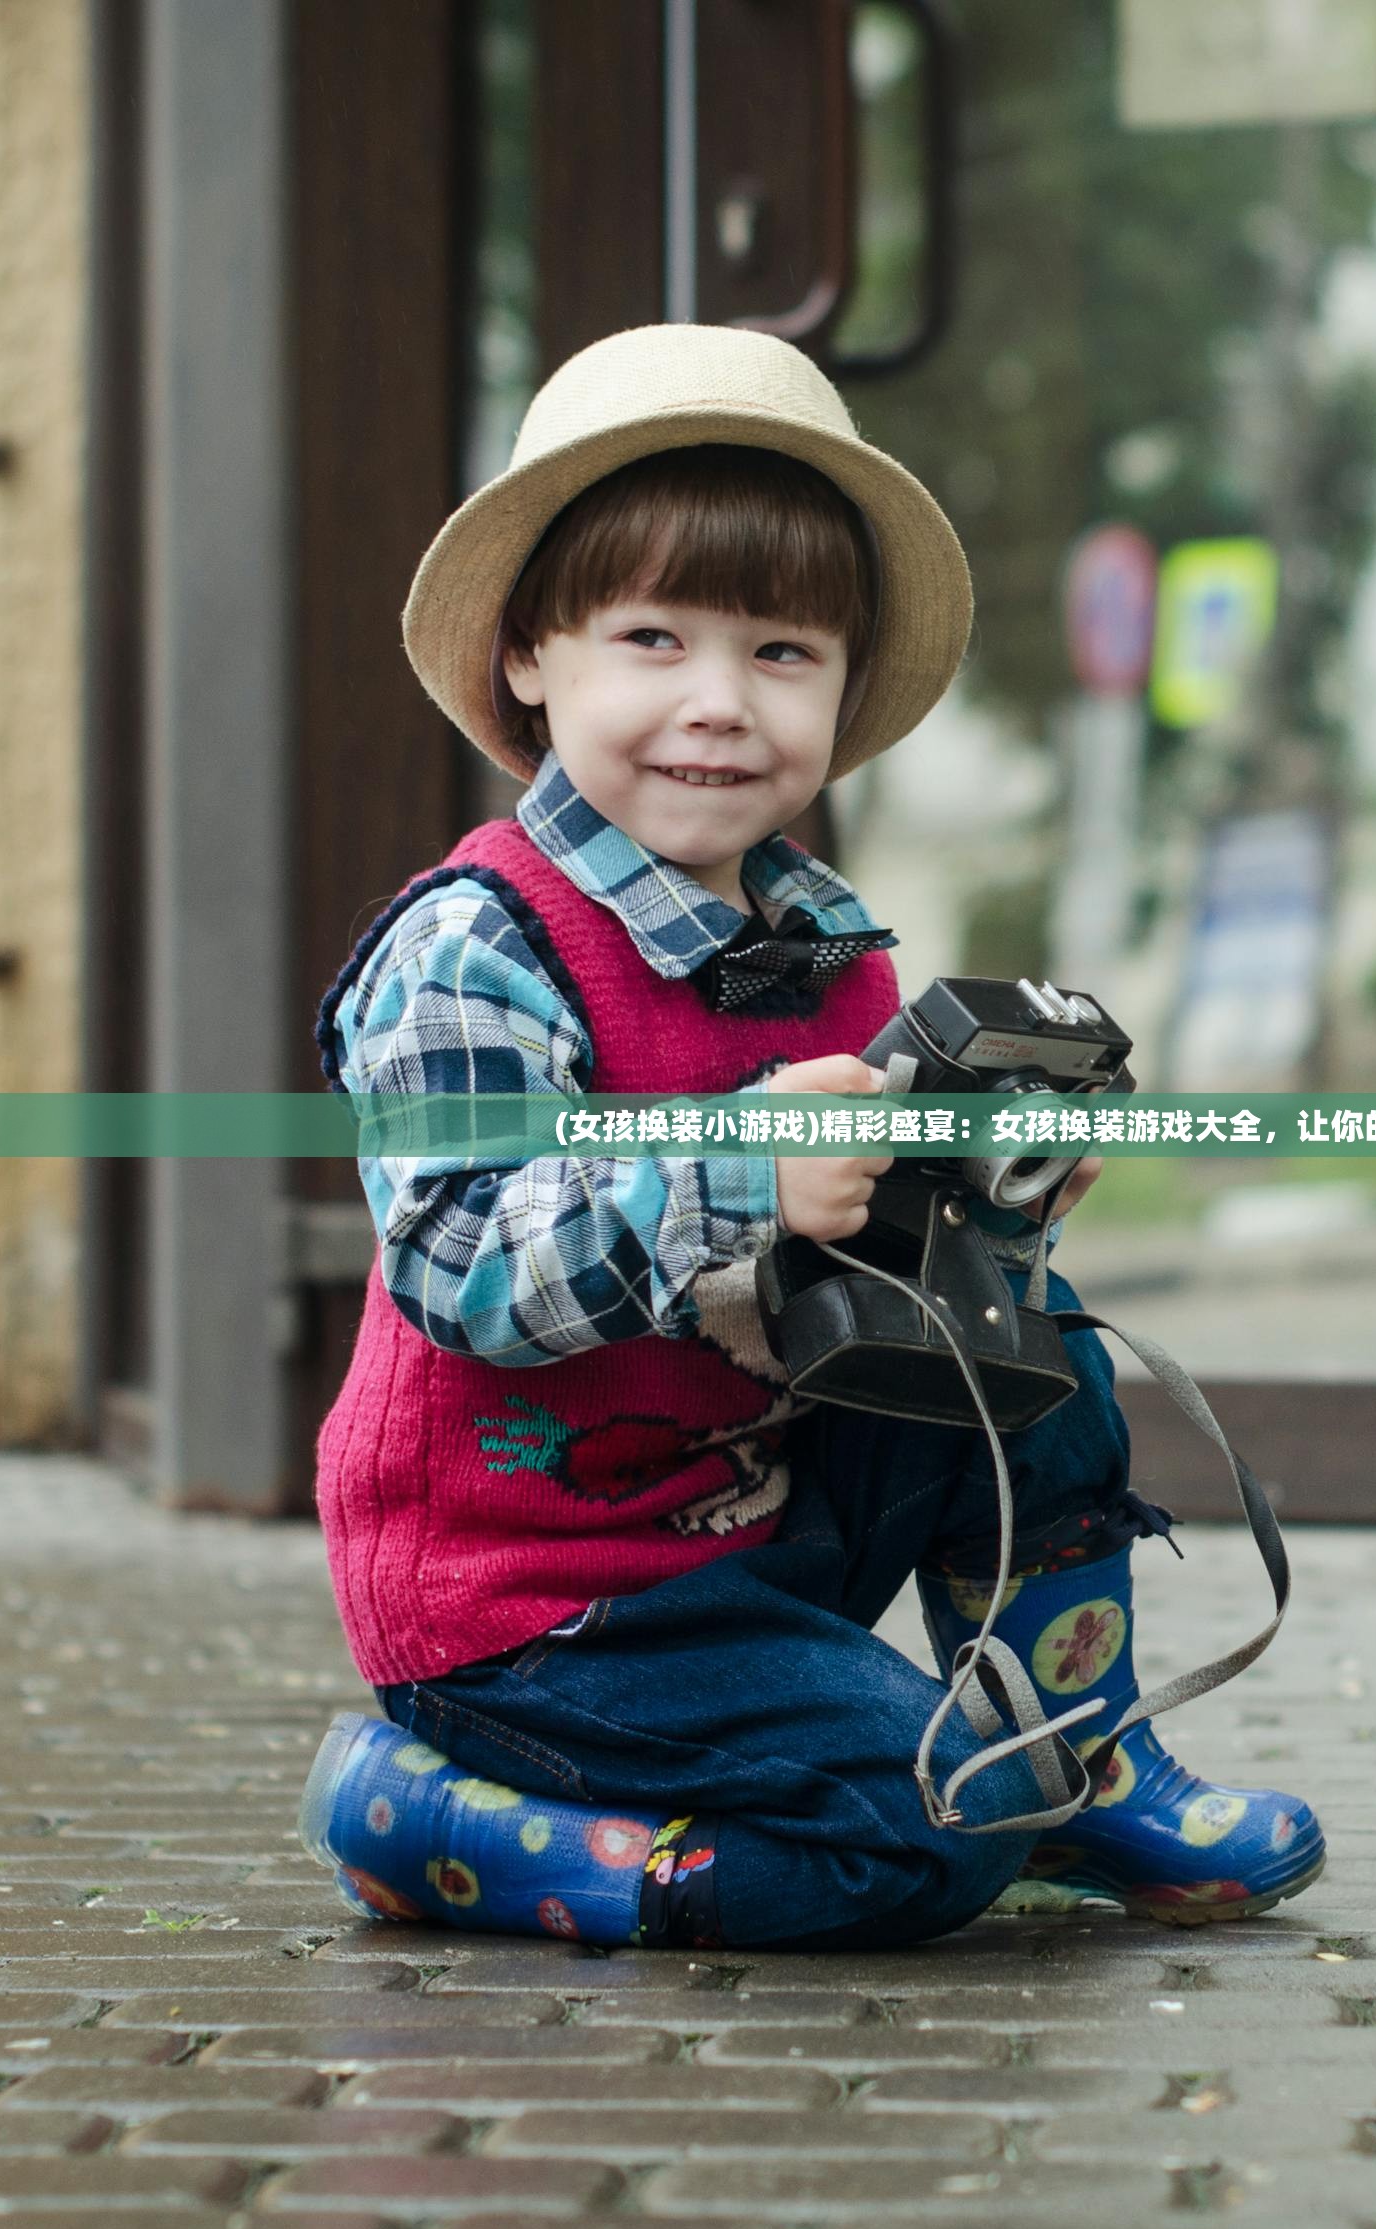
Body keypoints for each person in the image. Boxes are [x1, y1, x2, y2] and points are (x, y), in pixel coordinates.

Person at [294, 324, 1322, 1951]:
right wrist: (736, 1168)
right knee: (925, 1846)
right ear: (528, 656)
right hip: (536, 1602)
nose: (717, 703)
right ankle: (433, 1819)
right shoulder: (480, 941)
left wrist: (990, 1203)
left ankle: (1076, 1739)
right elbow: (454, 1262)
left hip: (757, 1533)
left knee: (1031, 1337)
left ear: (843, 692)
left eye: (780, 653)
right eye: (651, 636)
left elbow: (857, 1276)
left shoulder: (838, 958)